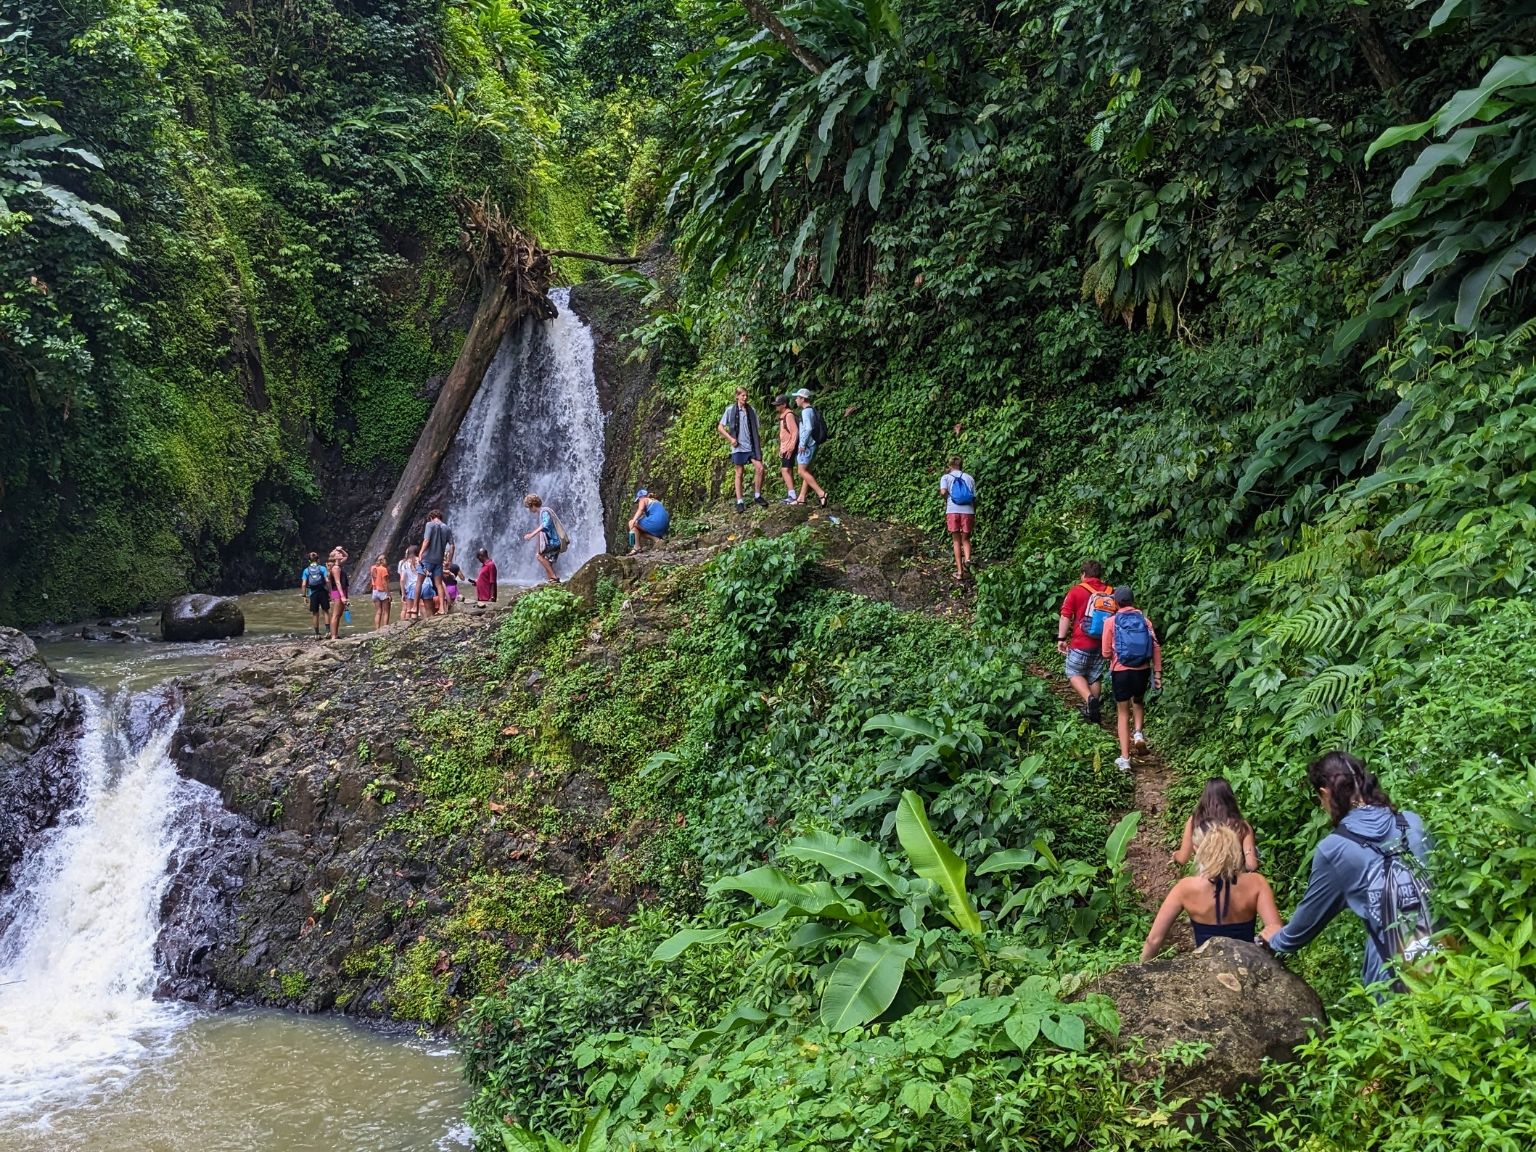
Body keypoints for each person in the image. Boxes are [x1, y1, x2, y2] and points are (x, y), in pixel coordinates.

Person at [1263, 751, 1432, 991]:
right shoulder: (1413, 822)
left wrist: (1276, 939)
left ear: (1325, 793)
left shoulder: (1335, 850)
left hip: (1392, 979)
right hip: (1446, 959)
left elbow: (1306, 924)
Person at [1141, 824, 1283, 961]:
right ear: (1235, 850)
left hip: (1205, 966)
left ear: (1199, 850)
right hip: (1245, 962)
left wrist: (1143, 969)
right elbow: (1276, 930)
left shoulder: (1185, 888)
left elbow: (1154, 940)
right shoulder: (1256, 883)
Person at [1101, 585, 1161, 773]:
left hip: (1121, 671)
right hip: (1142, 670)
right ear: (1133, 601)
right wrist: (1157, 674)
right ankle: (1138, 733)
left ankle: (1125, 758)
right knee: (1138, 701)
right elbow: (1156, 647)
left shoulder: (1111, 622)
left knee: (1122, 713)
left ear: (1116, 602)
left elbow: (1105, 653)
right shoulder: (1145, 621)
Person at [1056, 561, 1114, 721]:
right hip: (1103, 643)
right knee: (1094, 676)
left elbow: (1065, 615)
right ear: (1099, 575)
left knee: (1073, 672)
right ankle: (1092, 711)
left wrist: (1061, 638)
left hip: (1081, 641)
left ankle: (1090, 700)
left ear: (1083, 574)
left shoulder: (1076, 591)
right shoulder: (1111, 592)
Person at [1174, 778, 1260, 872]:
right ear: (1230, 798)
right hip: (1234, 878)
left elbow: (1183, 859)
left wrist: (1175, 855)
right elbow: (1252, 865)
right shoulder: (1241, 825)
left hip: (1206, 877)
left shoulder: (1196, 821)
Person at [718, 386, 766, 512]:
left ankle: (757, 495)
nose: (745, 398)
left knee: (760, 468)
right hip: (738, 446)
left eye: (746, 395)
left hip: (751, 446)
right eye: (743, 395)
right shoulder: (730, 410)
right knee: (739, 473)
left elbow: (756, 428)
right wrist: (731, 439)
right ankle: (739, 501)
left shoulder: (751, 410)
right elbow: (720, 427)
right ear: (737, 396)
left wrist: (758, 444)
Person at [938, 456, 976, 582]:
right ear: (961, 465)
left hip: (953, 511)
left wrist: (947, 497)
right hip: (968, 511)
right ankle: (968, 559)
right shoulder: (969, 478)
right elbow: (973, 496)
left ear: (949, 466)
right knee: (966, 538)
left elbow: (943, 492)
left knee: (956, 541)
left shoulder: (946, 477)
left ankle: (959, 573)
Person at [791, 387, 827, 506]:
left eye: (797, 397)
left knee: (801, 471)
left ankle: (821, 493)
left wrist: (802, 444)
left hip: (807, 445)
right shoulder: (811, 410)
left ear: (803, 399)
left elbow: (808, 428)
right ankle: (801, 497)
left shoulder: (806, 411)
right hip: (813, 444)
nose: (796, 399)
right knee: (807, 470)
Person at [413, 509, 451, 607]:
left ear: (431, 517)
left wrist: (421, 553)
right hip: (439, 560)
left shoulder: (429, 524)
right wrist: (449, 560)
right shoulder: (447, 528)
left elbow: (426, 540)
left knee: (419, 582)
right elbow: (452, 546)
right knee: (439, 584)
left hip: (427, 559)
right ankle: (442, 608)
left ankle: (414, 607)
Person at [522, 494, 562, 583]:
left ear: (532, 505)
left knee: (539, 556)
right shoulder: (543, 512)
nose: (529, 510)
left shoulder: (544, 512)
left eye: (529, 507)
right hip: (555, 542)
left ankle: (554, 577)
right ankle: (552, 580)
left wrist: (531, 535)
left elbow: (545, 524)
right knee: (548, 561)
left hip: (554, 541)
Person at [773, 394, 799, 504]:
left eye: (778, 405)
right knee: (788, 469)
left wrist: (791, 446)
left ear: (784, 404)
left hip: (789, 447)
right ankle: (791, 492)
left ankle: (792, 495)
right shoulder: (784, 415)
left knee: (784, 470)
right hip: (786, 447)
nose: (776, 407)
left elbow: (795, 431)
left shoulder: (788, 415)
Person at [628, 489, 670, 553]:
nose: (639, 501)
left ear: (640, 497)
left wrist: (633, 520)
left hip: (656, 523)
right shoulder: (656, 501)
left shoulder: (643, 499)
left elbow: (641, 509)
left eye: (638, 500)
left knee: (631, 523)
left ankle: (636, 547)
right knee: (639, 528)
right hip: (665, 526)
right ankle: (657, 540)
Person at [299, 552, 328, 635]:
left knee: (315, 613)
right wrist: (330, 591)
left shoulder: (306, 570)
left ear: (309, 560)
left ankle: (317, 634)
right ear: (318, 560)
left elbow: (304, 584)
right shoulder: (322, 568)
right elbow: (327, 580)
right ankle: (328, 632)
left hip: (313, 593)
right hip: (322, 591)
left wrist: (304, 596)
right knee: (325, 611)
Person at [326, 547, 349, 640]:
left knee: (338, 614)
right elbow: (338, 582)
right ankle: (333, 636)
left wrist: (341, 549)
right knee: (336, 614)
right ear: (335, 557)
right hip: (338, 592)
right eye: (338, 553)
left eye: (340, 553)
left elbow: (347, 556)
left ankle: (335, 633)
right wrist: (343, 596)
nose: (341, 554)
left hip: (337, 591)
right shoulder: (336, 568)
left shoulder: (339, 564)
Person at [369, 553, 392, 630]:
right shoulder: (384, 569)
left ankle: (377, 629)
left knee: (378, 611)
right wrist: (388, 594)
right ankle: (385, 629)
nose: (387, 561)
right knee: (386, 611)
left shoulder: (373, 568)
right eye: (386, 560)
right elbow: (384, 582)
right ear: (383, 561)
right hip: (382, 591)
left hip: (375, 591)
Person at [398, 545, 420, 621]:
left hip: (410, 587)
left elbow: (402, 579)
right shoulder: (420, 561)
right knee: (421, 606)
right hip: (421, 586)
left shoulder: (404, 564)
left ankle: (407, 626)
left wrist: (403, 593)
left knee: (409, 609)